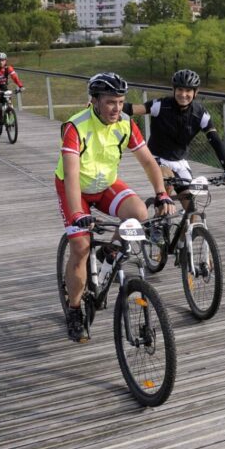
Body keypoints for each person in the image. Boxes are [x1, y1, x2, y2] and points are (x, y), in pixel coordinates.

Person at [55, 72, 176, 343]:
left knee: (139, 213)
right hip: (74, 188)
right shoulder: (75, 127)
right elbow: (72, 176)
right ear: (95, 101)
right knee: (81, 247)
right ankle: (75, 309)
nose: (117, 108)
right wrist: (78, 214)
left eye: (121, 102)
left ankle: (109, 251)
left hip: (105, 185)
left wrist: (161, 194)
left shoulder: (125, 124)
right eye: (111, 102)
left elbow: (147, 162)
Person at [123, 69, 225, 212]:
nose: (183, 94)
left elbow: (214, 140)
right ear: (174, 89)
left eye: (188, 91)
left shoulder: (200, 114)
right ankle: (159, 224)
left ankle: (192, 232)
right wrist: (105, 105)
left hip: (180, 161)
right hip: (157, 157)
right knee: (168, 182)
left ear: (196, 92)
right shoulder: (161, 105)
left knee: (191, 210)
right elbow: (133, 108)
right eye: (180, 90)